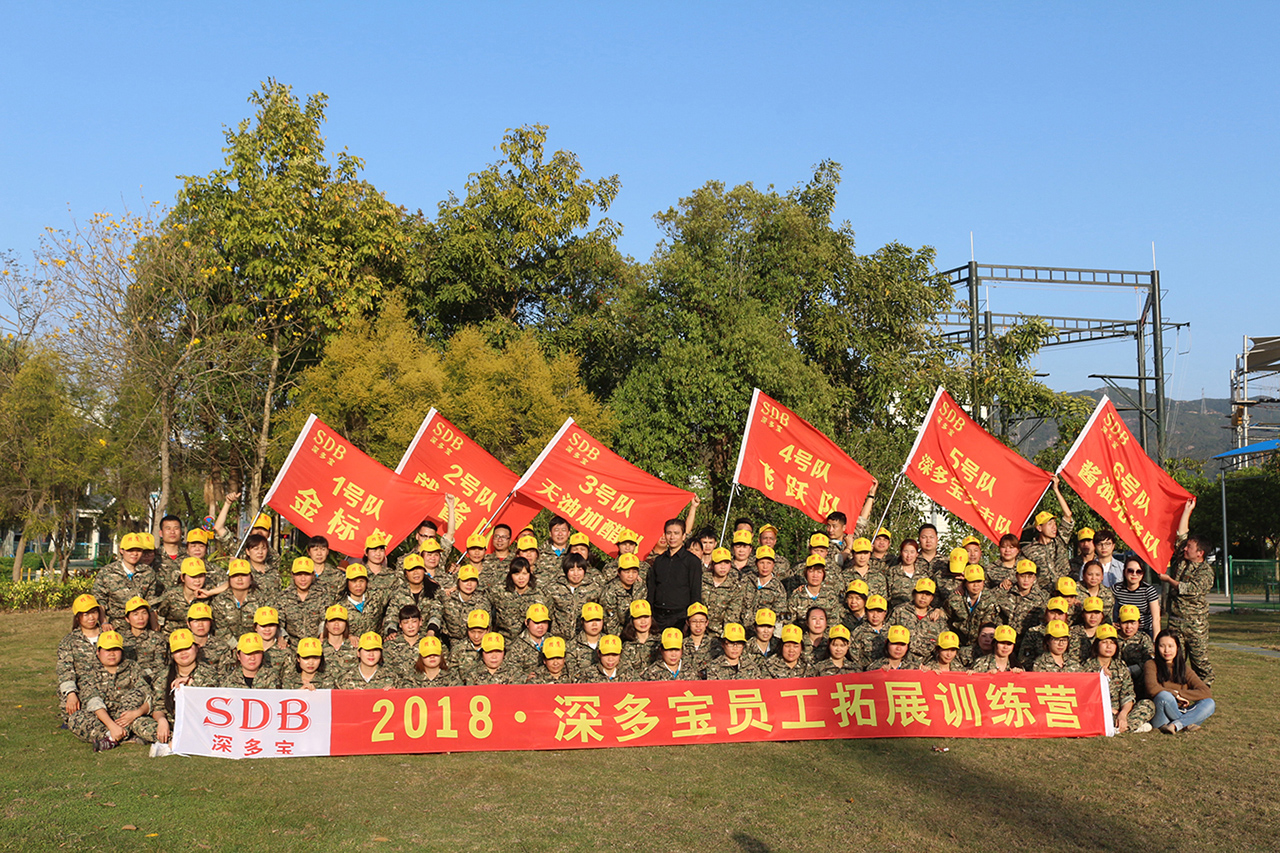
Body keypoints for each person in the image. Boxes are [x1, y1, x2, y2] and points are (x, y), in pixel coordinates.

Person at [67, 630, 165, 751]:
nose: (112, 654)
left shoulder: (132, 667)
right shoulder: (89, 672)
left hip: (129, 716)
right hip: (102, 719)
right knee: (76, 719)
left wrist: (136, 713)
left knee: (136, 697)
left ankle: (111, 740)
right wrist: (112, 726)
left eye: (116, 650)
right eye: (107, 650)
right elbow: (94, 701)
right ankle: (116, 736)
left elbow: (147, 695)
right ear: (98, 652)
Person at [1162, 500, 1214, 686]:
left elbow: (1191, 590)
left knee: (1200, 663)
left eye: (1189, 548)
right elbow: (1181, 535)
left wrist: (1169, 581)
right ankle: (1177, 692)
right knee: (1175, 661)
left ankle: (1203, 692)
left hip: (1195, 624)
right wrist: (1187, 512)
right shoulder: (1183, 561)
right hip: (1176, 621)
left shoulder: (1205, 571)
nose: (1185, 549)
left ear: (1200, 552)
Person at [1085, 624, 1155, 734]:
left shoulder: (1120, 667)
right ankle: (1129, 726)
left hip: (1119, 712)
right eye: (1104, 642)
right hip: (1098, 711)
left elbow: (1127, 696)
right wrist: (1109, 710)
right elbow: (1086, 698)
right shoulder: (1086, 668)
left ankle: (1121, 726)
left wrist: (1123, 714)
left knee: (1148, 705)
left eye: (1112, 643)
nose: (1108, 646)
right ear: (1096, 645)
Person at [1144, 629, 1215, 734]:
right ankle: (1186, 723)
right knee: (1164, 696)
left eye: (1170, 646)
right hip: (1162, 716)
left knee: (1209, 703)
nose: (1166, 650)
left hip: (1181, 710)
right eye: (1162, 646)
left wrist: (1181, 694)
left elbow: (1205, 691)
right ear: (1156, 647)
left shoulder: (1184, 668)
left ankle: (1176, 725)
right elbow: (1152, 688)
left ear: (1177, 647)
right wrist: (1175, 694)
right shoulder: (1151, 664)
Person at [92, 533, 161, 629]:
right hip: (116, 626)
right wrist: (104, 622)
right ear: (121, 550)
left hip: (142, 627)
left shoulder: (148, 572)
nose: (134, 554)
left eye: (138, 550)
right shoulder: (107, 572)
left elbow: (151, 602)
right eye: (130, 550)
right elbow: (100, 600)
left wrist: (155, 629)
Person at [647, 517, 704, 631]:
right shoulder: (659, 560)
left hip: (681, 618)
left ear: (683, 536)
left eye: (676, 533)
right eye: (669, 533)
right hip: (658, 617)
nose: (672, 537)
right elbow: (652, 589)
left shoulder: (692, 561)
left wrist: (691, 619)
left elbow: (695, 592)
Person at [1021, 476, 1076, 592]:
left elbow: (1068, 514)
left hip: (1064, 592)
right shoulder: (1028, 551)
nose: (1054, 527)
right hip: (1043, 595)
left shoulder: (1060, 541)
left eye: (1055, 524)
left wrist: (1056, 489)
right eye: (1049, 524)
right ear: (1039, 528)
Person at [211, 559, 272, 651]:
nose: (239, 579)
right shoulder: (219, 601)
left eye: (244, 575)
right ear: (229, 579)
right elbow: (220, 630)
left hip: (257, 647)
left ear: (251, 578)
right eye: (235, 575)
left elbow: (268, 624)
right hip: (228, 648)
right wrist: (239, 648)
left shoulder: (261, 599)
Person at [488, 556, 544, 639]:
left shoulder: (540, 594)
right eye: (516, 574)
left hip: (529, 645)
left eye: (524, 574)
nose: (521, 578)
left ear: (530, 573)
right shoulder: (499, 592)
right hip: (504, 643)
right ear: (511, 575)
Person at [548, 554, 602, 640]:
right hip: (559, 638)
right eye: (572, 570)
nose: (576, 574)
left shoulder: (594, 588)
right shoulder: (554, 588)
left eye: (579, 569)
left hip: (584, 639)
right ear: (566, 571)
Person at [890, 578, 944, 660]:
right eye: (920, 593)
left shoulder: (937, 618)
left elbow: (943, 646)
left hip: (927, 665)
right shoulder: (900, 611)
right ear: (914, 594)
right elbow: (887, 634)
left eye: (927, 594)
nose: (923, 597)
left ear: (932, 598)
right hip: (902, 662)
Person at [278, 556, 329, 642]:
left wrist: (322, 636)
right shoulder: (284, 596)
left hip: (315, 644)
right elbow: (279, 622)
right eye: (298, 575)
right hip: (291, 645)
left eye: (307, 574)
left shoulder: (321, 594)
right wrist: (282, 639)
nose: (303, 579)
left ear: (313, 575)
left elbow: (324, 619)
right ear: (292, 575)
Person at [118, 595, 166, 679]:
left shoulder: (157, 638)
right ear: (127, 619)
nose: (141, 618)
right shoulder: (120, 639)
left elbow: (160, 665)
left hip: (151, 679)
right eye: (135, 614)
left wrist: (141, 674)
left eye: (144, 613)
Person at [1114, 557, 1162, 639]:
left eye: (1139, 571)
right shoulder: (1117, 589)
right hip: (1123, 631)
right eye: (1130, 571)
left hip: (1145, 631)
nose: (1134, 574)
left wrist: (1155, 641)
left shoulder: (1148, 590)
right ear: (1124, 572)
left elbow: (1156, 619)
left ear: (1143, 574)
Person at [439, 566, 491, 642]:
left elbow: (487, 630)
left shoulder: (483, 602)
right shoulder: (447, 598)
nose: (469, 584)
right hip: (448, 643)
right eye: (465, 580)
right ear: (458, 582)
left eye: (473, 580)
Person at [998, 559, 1047, 636]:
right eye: (1022, 576)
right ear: (1016, 576)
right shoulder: (1005, 593)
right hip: (1006, 640)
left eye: (1030, 576)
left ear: (1034, 578)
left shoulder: (1041, 598)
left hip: (1028, 642)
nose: (1026, 580)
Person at [601, 554, 647, 636]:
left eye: (634, 572)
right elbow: (610, 622)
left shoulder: (640, 587)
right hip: (620, 635)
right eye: (627, 572)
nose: (631, 576)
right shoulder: (610, 591)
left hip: (639, 632)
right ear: (619, 572)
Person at [335, 632, 401, 689]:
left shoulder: (392, 678)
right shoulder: (344, 681)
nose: (371, 654)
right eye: (367, 650)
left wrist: (392, 694)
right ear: (358, 653)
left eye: (375, 650)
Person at [787, 556, 841, 626]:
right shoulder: (796, 597)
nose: (815, 575)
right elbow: (790, 623)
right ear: (806, 573)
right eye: (811, 571)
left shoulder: (830, 595)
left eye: (819, 572)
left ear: (823, 575)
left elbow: (834, 622)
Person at [743, 546, 788, 626]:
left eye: (768, 563)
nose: (765, 567)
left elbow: (779, 618)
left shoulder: (778, 588)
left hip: (764, 631)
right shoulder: (747, 580)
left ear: (773, 565)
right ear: (756, 564)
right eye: (762, 563)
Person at [507, 602, 555, 676]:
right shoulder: (517, 646)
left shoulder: (553, 641)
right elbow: (511, 672)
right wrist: (525, 678)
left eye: (544, 622)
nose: (540, 626)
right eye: (536, 622)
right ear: (526, 623)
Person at [565, 602, 608, 678]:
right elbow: (573, 675)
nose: (594, 624)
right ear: (582, 622)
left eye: (597, 620)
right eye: (590, 620)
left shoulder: (610, 643)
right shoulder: (571, 646)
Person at [851, 595, 890, 670]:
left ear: (885, 612)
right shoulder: (858, 632)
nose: (875, 615)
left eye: (879, 611)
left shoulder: (892, 632)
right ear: (866, 612)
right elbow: (855, 660)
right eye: (871, 611)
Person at [1116, 605, 1155, 679]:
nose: (1129, 627)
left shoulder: (1143, 638)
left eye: (1133, 623)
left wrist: (1132, 669)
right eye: (1125, 623)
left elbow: (1149, 660)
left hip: (1139, 676)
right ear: (1119, 623)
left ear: (1139, 623)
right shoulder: (1113, 638)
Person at [886, 539, 926, 610]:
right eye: (906, 551)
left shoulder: (923, 573)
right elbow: (886, 596)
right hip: (897, 614)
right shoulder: (892, 572)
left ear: (917, 554)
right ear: (901, 553)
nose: (909, 555)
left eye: (912, 552)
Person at [621, 600, 659, 674]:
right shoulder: (627, 646)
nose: (643, 622)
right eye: (638, 618)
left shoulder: (660, 642)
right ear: (632, 620)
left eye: (646, 617)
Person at [321, 604, 359, 677]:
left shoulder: (355, 646)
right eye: (332, 620)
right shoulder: (319, 648)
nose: (336, 624)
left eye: (341, 620)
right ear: (326, 624)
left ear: (346, 624)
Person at [682, 603, 715, 676]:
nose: (698, 625)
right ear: (687, 622)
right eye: (694, 621)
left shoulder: (714, 644)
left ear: (707, 623)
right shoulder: (681, 644)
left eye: (702, 621)